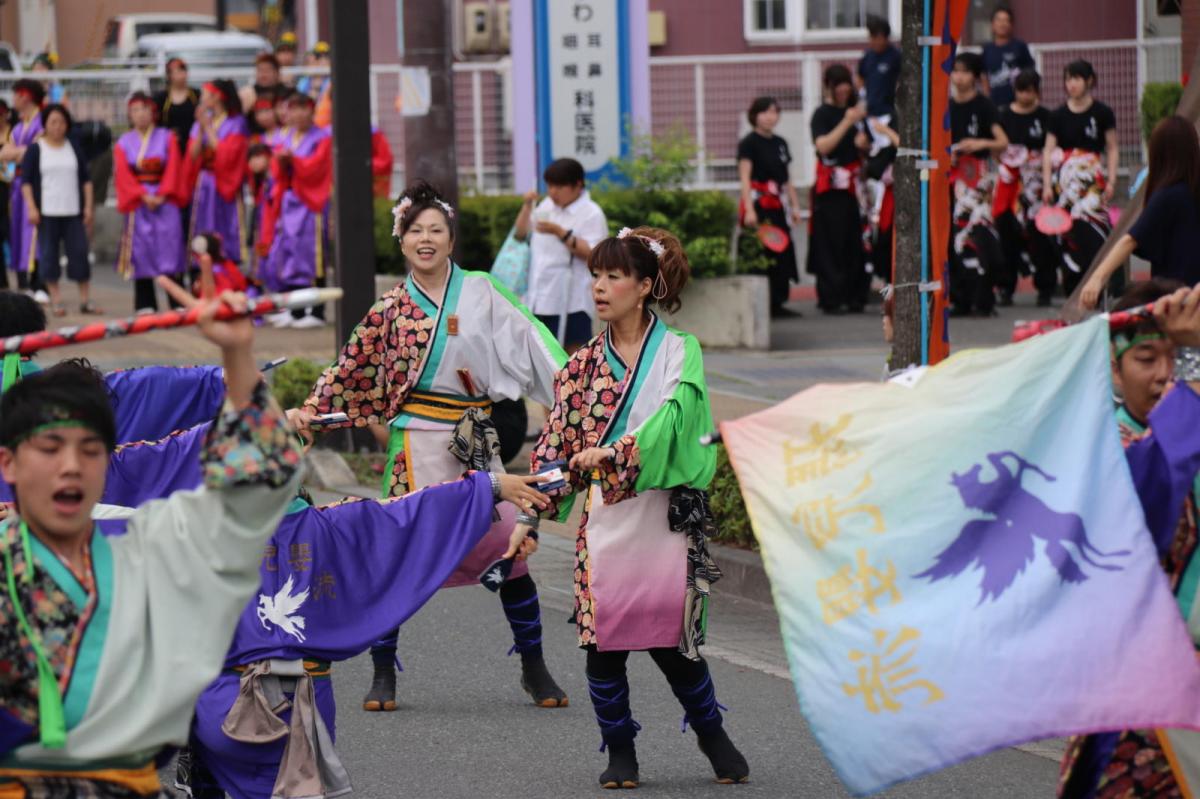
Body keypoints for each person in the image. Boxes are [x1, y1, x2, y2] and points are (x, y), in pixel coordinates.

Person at [0, 290, 305, 796]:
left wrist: (236, 355)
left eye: (90, 449)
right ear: (8, 464)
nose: (70, 466)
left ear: (113, 459)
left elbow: (257, 488)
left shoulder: (146, 545)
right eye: (49, 448)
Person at [292, 180, 570, 713]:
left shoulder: (483, 291)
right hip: (415, 443)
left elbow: (534, 341)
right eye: (415, 231)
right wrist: (313, 408)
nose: (426, 239)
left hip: (474, 443)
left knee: (508, 550)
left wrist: (575, 391)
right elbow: (351, 368)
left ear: (450, 239)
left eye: (436, 230)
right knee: (393, 556)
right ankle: (382, 673)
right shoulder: (389, 309)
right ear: (401, 241)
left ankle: (534, 667)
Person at [529, 226, 748, 789]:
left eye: (614, 276)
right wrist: (529, 514)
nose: (599, 287)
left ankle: (711, 732)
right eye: (595, 275)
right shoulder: (579, 367)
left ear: (646, 285)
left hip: (663, 515)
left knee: (672, 642)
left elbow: (678, 420)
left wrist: (616, 451)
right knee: (602, 645)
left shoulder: (681, 351)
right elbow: (554, 449)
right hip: (605, 521)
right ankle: (620, 749)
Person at [1058, 278, 1200, 799]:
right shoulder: (1106, 450)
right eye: (1147, 358)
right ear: (1113, 371)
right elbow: (1157, 485)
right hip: (1142, 718)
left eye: (1175, 358)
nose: (1165, 376)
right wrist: (1194, 366)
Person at [1080, 116, 1200, 310]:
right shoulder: (1191, 191)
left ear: (1159, 153)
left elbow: (1131, 240)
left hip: (1176, 301)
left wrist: (1097, 277)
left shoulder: (1169, 195)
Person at [1042, 59, 1119, 295]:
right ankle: (1072, 288)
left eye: (1076, 78)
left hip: (1093, 182)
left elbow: (1112, 147)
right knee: (1068, 233)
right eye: (1068, 79)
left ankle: (1101, 287)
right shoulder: (1057, 115)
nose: (1071, 84)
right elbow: (1048, 150)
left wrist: (1113, 180)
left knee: (1095, 230)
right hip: (1065, 184)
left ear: (1089, 81)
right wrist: (1046, 184)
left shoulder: (1102, 112)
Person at [259, 92, 331, 328]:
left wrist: (293, 161)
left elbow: (317, 168)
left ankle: (317, 312)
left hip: (310, 201)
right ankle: (297, 311)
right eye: (294, 109)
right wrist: (280, 162)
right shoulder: (287, 136)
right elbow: (276, 169)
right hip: (288, 199)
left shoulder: (322, 137)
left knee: (313, 255)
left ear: (312, 111)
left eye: (304, 108)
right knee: (290, 253)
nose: (299, 114)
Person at [20, 104, 97, 318]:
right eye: (53, 122)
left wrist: (88, 207)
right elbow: (25, 182)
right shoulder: (36, 149)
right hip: (47, 213)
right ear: (45, 124)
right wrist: (32, 207)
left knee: (80, 254)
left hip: (73, 211)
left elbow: (86, 180)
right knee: (49, 257)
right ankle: (57, 300)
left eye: (62, 122)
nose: (57, 126)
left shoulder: (73, 147)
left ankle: (85, 300)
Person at [114, 91, 186, 314]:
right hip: (139, 202)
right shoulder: (124, 142)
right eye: (135, 110)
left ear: (152, 112)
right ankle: (145, 302)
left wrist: (162, 194)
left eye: (145, 109)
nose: (141, 114)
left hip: (165, 198)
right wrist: (143, 195)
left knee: (170, 248)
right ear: (129, 114)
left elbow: (174, 167)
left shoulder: (167, 137)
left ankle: (177, 301)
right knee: (141, 250)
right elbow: (123, 175)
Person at [524, 158, 608, 349]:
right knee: (542, 356)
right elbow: (521, 234)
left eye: (559, 186)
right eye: (550, 185)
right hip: (539, 297)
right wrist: (527, 205)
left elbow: (596, 254)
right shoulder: (546, 205)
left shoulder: (591, 213)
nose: (553, 191)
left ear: (578, 185)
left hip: (573, 299)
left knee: (574, 357)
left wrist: (559, 232)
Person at [948, 52, 1008, 317]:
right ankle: (960, 298)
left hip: (979, 179)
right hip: (952, 178)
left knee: (981, 236)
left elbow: (1002, 142)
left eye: (964, 71)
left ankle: (985, 298)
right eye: (955, 71)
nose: (958, 77)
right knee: (956, 238)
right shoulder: (944, 106)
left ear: (975, 76)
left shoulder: (984, 106)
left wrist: (979, 143)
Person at [806, 70, 869, 315]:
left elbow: (867, 148)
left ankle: (855, 294)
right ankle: (831, 296)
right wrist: (846, 122)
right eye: (838, 85)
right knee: (829, 243)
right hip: (829, 190)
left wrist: (863, 143)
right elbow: (823, 146)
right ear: (828, 87)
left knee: (854, 243)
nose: (843, 90)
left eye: (846, 85)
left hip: (854, 189)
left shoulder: (857, 114)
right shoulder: (822, 115)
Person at [994, 68, 1057, 307]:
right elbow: (996, 148)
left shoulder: (1046, 117)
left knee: (1040, 233)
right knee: (1006, 232)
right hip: (1010, 182)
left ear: (1037, 91)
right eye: (1021, 90)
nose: (1025, 96)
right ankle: (1006, 286)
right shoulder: (1003, 116)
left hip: (1037, 184)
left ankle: (1045, 287)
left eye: (1029, 91)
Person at [738, 96, 803, 318]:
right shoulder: (748, 143)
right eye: (765, 112)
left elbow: (787, 180)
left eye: (774, 112)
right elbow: (745, 179)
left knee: (782, 250)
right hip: (759, 204)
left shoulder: (781, 143)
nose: (770, 117)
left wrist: (795, 207)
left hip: (778, 205)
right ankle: (760, 304)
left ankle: (779, 300)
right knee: (760, 251)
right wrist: (749, 209)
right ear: (755, 115)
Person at [184, 79, 250, 267]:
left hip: (225, 181)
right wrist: (201, 128)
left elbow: (226, 154)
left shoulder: (236, 122)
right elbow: (193, 154)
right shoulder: (201, 122)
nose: (202, 99)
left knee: (226, 225)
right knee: (202, 223)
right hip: (204, 182)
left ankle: (227, 261)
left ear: (218, 97)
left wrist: (207, 128)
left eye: (205, 95)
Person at [1, 80, 46, 298]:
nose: (14, 100)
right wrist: (21, 152)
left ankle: (39, 282)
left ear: (26, 96)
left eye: (17, 95)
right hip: (17, 184)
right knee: (18, 231)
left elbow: (33, 151)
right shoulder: (19, 126)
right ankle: (24, 282)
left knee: (34, 232)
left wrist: (18, 152)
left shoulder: (41, 121)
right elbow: (6, 154)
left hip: (36, 183)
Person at [856, 15, 901, 156]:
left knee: (889, 149)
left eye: (876, 37)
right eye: (871, 37)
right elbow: (859, 76)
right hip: (870, 112)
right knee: (868, 148)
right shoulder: (868, 56)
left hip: (888, 111)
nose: (873, 41)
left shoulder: (895, 56)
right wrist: (862, 96)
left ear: (885, 37)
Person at [980, 5, 1035, 107]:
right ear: (992, 24)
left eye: (1006, 20)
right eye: (999, 20)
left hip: (1018, 104)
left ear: (1011, 24)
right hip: (994, 105)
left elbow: (1030, 73)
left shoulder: (1020, 46)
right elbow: (984, 76)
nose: (1002, 24)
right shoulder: (987, 49)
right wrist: (987, 100)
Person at [154, 58, 199, 158]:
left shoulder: (196, 95)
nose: (181, 74)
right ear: (169, 76)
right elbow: (156, 122)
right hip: (169, 147)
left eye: (182, 70)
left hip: (193, 144)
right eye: (176, 71)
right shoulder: (161, 98)